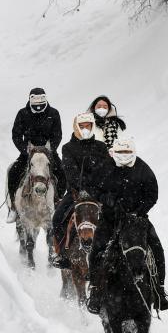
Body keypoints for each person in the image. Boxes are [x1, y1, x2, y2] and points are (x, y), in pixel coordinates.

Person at [85, 135, 168, 313]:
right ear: (113, 152)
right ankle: (95, 290)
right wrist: (105, 199)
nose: (124, 155)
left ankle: (159, 291)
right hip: (110, 218)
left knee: (156, 248)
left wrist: (138, 210)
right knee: (97, 248)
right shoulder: (104, 167)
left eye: (127, 152)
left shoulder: (143, 168)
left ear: (133, 152)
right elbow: (91, 186)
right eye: (120, 152)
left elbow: (152, 194)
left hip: (137, 219)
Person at [49, 112, 117, 268]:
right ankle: (61, 254)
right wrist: (83, 186)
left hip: (99, 193)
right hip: (75, 193)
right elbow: (70, 172)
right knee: (57, 219)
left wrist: (99, 187)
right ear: (76, 127)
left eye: (88, 126)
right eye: (82, 126)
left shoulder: (101, 147)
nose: (85, 129)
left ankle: (116, 250)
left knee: (116, 213)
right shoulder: (67, 148)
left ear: (93, 127)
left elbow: (106, 170)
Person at [6, 88, 66, 220]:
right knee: (13, 172)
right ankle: (14, 208)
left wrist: (50, 150)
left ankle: (58, 201)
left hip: (48, 152)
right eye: (35, 99)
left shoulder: (54, 113)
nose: (38, 103)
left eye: (41, 99)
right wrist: (25, 150)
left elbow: (58, 134)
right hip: (28, 153)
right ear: (30, 99)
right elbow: (16, 135)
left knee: (62, 172)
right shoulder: (22, 113)